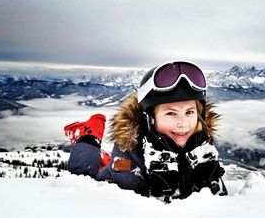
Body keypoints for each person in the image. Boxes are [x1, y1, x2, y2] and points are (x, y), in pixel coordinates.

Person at [65, 60, 227, 202]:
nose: (183, 124)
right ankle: (88, 135)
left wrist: (207, 180)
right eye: (170, 113)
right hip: (115, 172)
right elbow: (101, 199)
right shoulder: (130, 152)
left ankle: (104, 157)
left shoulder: (200, 142)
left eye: (190, 112)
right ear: (149, 118)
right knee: (81, 174)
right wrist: (149, 187)